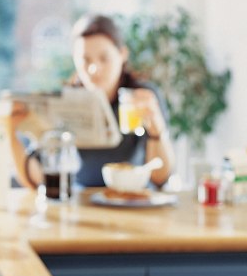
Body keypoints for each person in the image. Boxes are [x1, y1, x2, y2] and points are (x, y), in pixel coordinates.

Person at [10, 14, 175, 189]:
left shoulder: (141, 98)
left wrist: (157, 128)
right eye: (85, 60)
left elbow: (160, 178)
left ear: (122, 54)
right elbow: (39, 179)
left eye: (104, 58)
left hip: (131, 200)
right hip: (80, 203)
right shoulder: (64, 103)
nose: (94, 69)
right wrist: (9, 132)